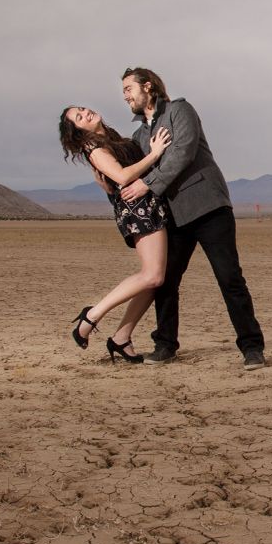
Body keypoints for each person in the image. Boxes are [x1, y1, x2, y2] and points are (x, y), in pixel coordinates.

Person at [119, 67, 266, 369]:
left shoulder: (180, 110)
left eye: (128, 89)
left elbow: (183, 152)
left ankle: (252, 347)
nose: (125, 96)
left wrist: (147, 183)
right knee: (165, 281)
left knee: (229, 278)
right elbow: (130, 170)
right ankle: (165, 344)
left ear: (148, 86)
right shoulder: (139, 136)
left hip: (208, 206)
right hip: (173, 216)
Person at [58, 105, 173, 363]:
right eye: (79, 117)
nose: (86, 113)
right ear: (77, 131)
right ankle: (91, 315)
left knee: (154, 280)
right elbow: (122, 176)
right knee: (153, 276)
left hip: (147, 204)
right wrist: (155, 154)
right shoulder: (92, 146)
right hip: (138, 207)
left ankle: (121, 338)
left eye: (83, 109)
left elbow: (111, 183)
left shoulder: (110, 138)